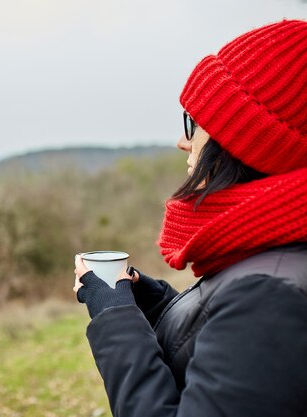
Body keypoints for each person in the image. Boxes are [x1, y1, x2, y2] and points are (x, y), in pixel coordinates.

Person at [73, 19, 307, 417]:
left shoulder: (268, 297)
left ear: (245, 141)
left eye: (195, 124)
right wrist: (152, 302)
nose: (184, 140)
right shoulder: (271, 253)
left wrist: (116, 320)